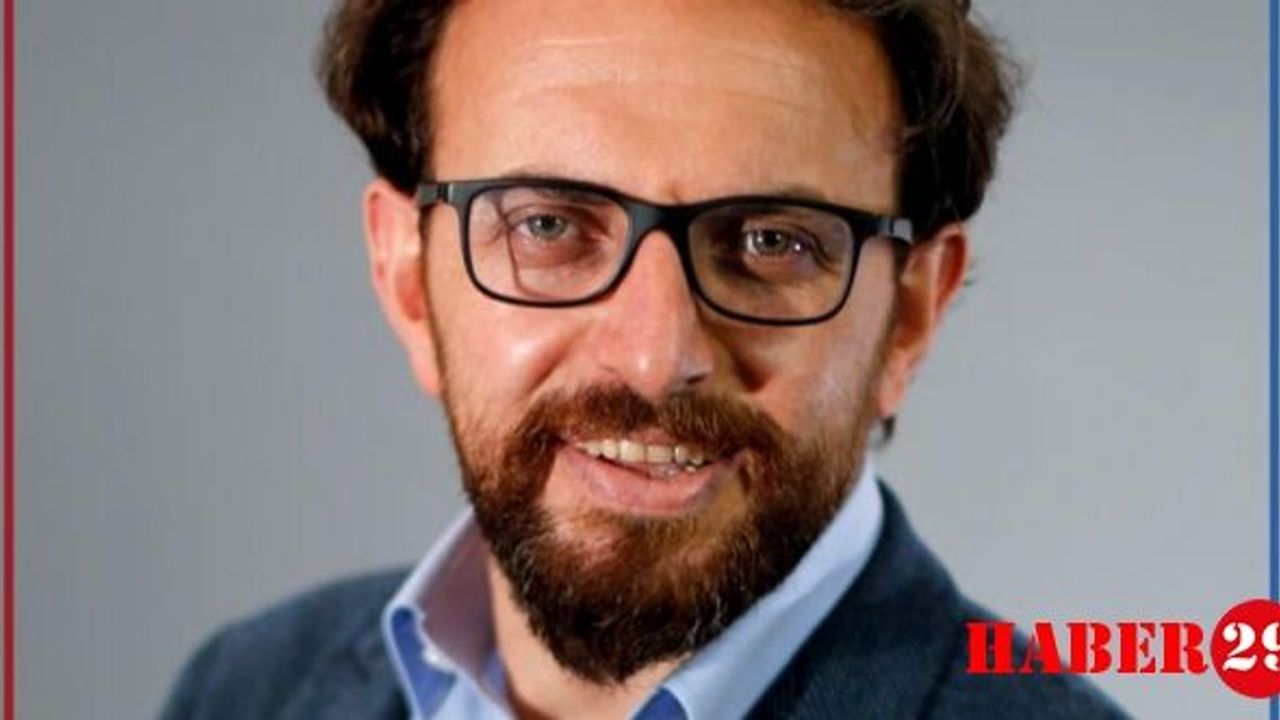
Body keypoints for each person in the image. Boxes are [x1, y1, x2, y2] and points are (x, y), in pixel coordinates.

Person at [161, 0, 1128, 717]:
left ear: (910, 315)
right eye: (548, 225)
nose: (655, 358)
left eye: (772, 242)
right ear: (408, 280)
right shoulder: (246, 689)